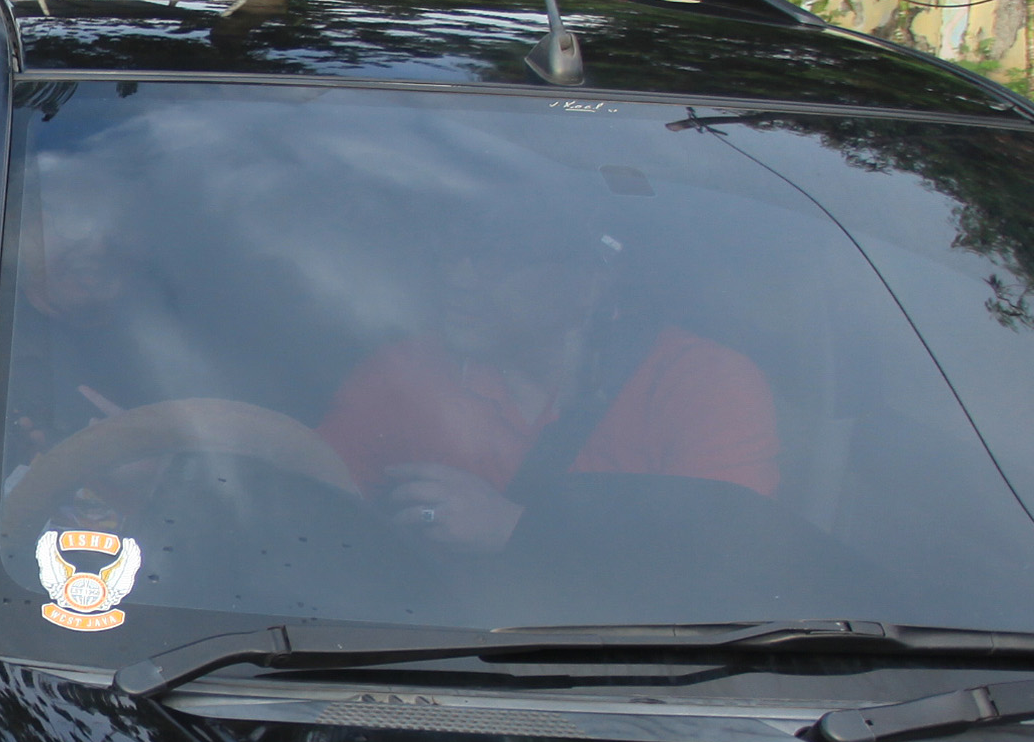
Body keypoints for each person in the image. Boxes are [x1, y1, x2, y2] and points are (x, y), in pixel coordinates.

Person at [318, 212, 775, 552]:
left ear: (589, 283)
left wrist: (514, 530)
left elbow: (720, 561)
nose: (457, 279)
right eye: (453, 253)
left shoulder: (702, 384)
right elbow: (310, 500)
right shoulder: (406, 368)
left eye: (495, 260)